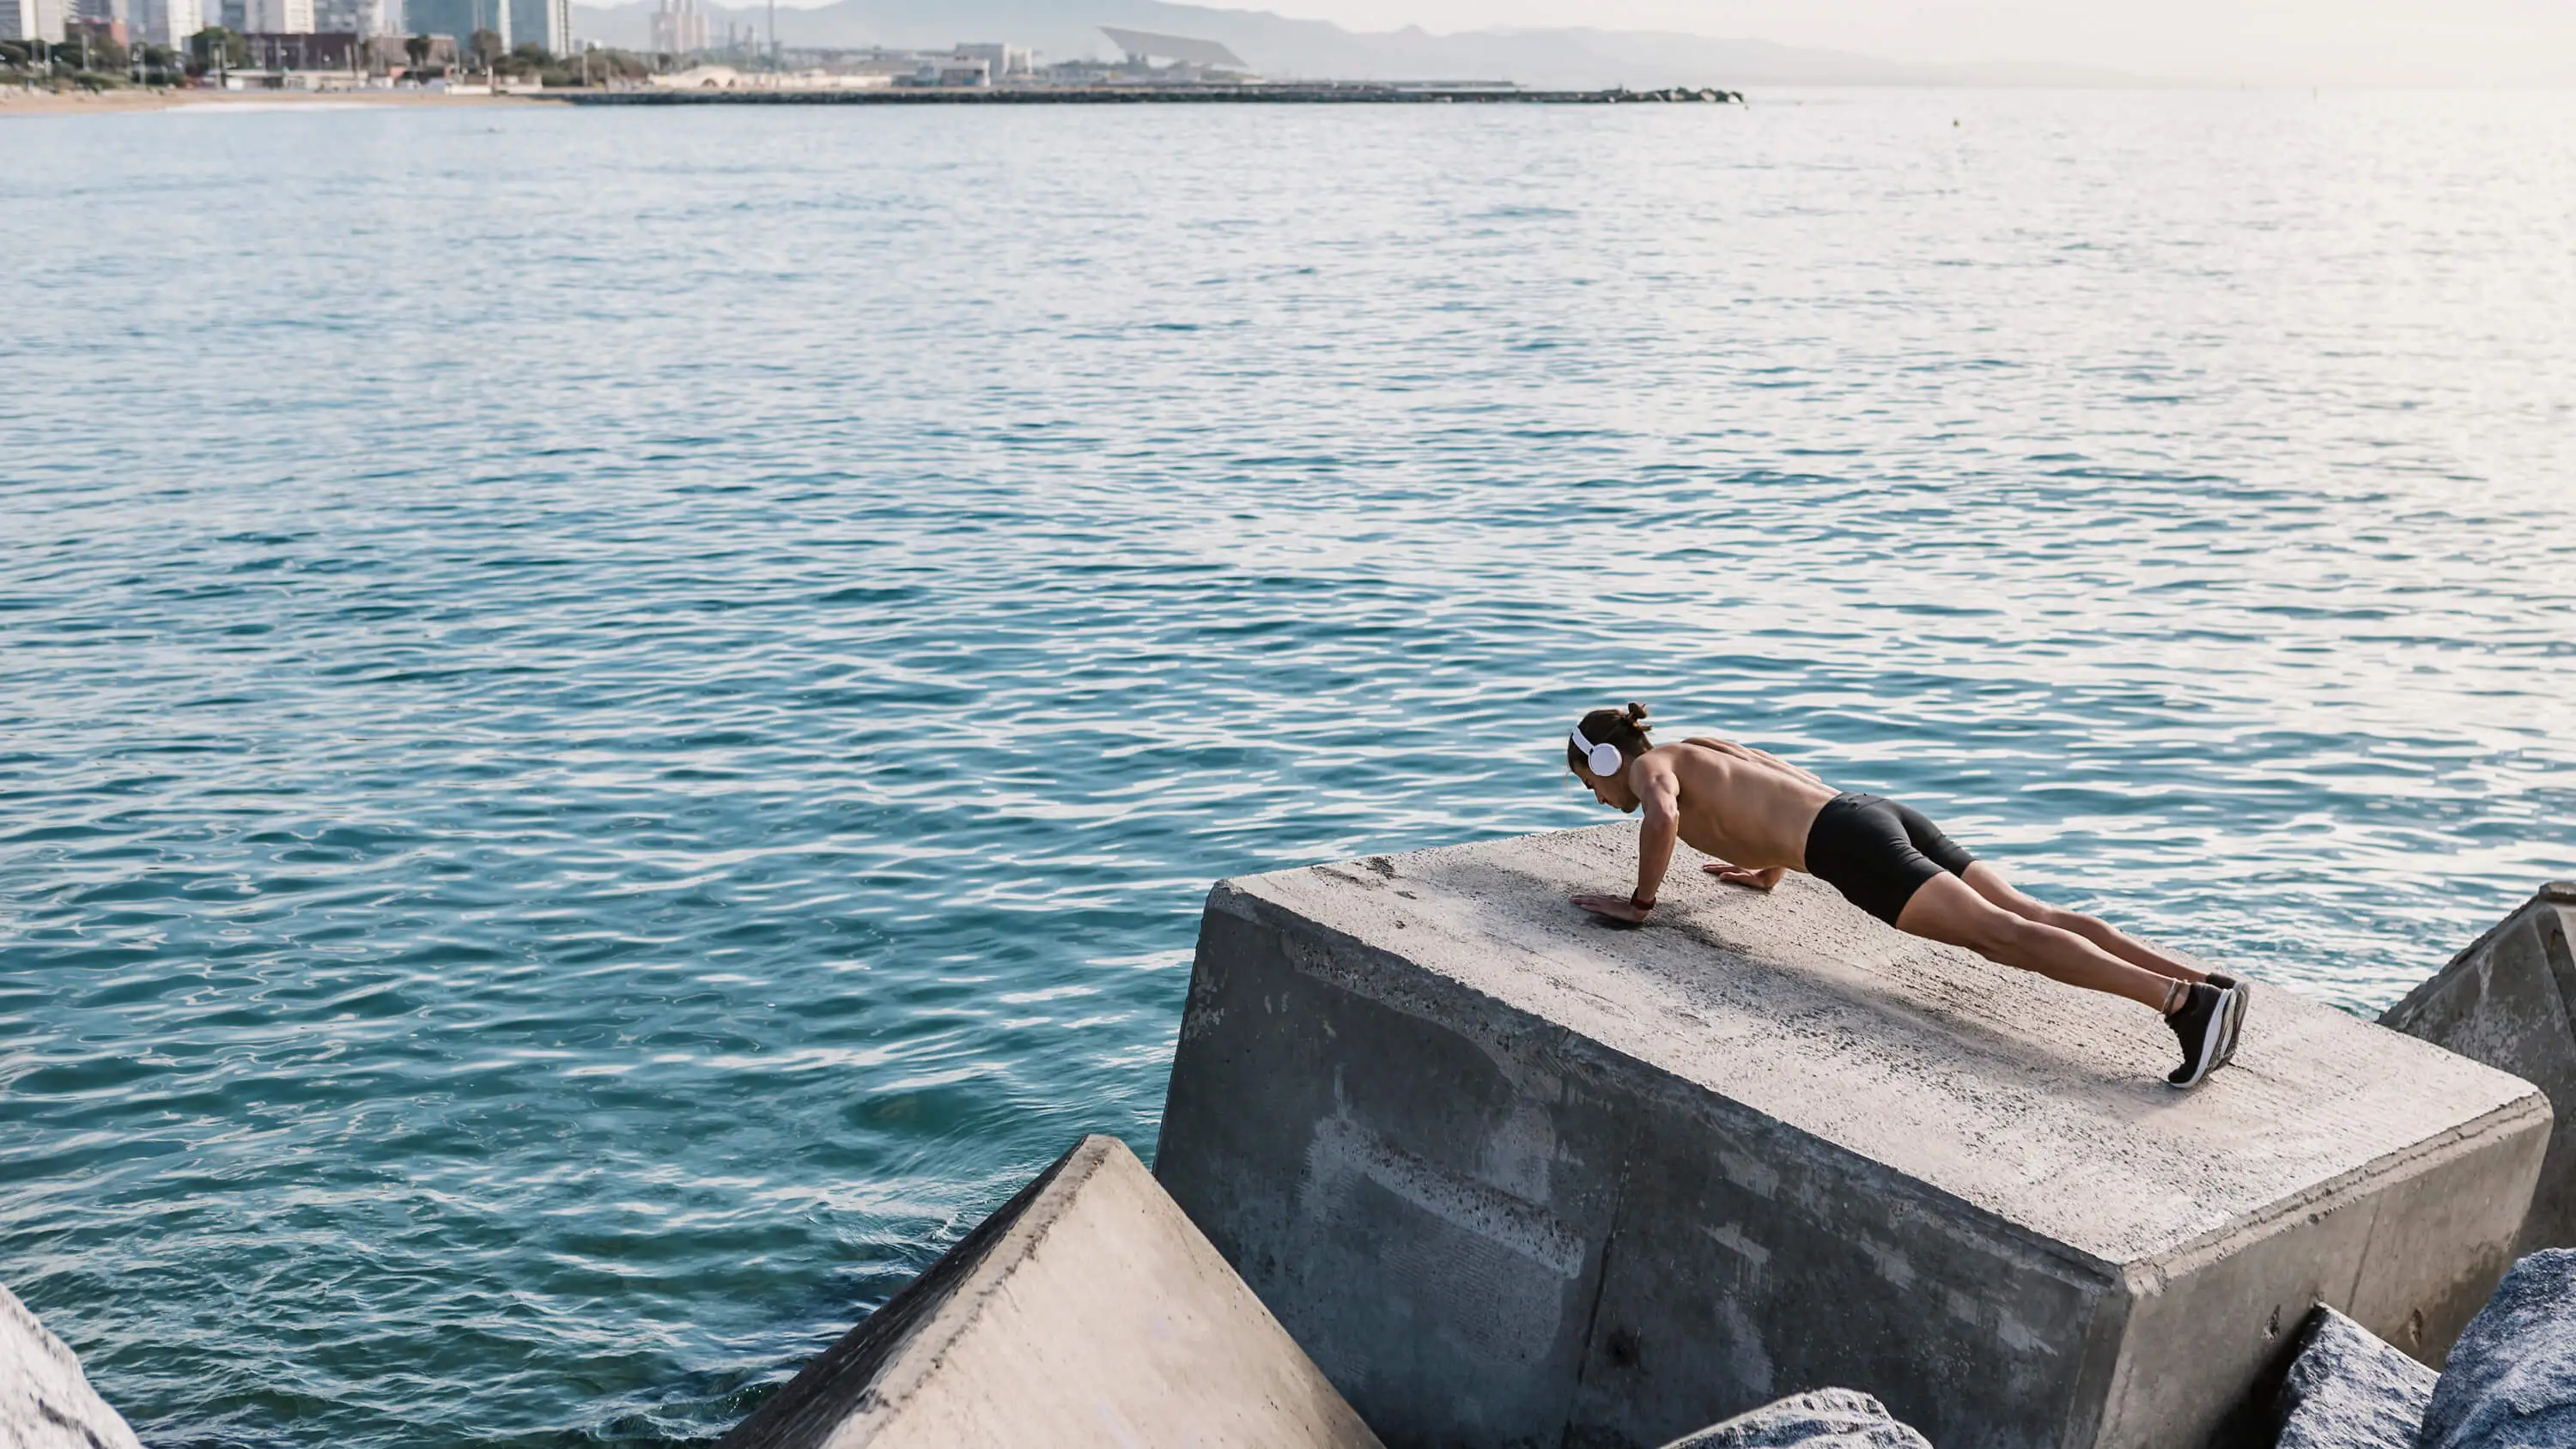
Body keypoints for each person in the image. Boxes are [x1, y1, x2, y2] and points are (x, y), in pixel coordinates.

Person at [1563, 701, 2248, 1088]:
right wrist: (1768, 867)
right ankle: (2205, 985)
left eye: (1587, 782)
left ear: (1603, 760)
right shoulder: (1696, 746)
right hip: (1868, 810)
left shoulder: (1653, 767)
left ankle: (2182, 1006)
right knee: (2031, 912)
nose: (1594, 796)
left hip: (1850, 848)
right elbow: (1775, 796)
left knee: (2000, 936)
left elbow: (1665, 818)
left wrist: (1640, 904)